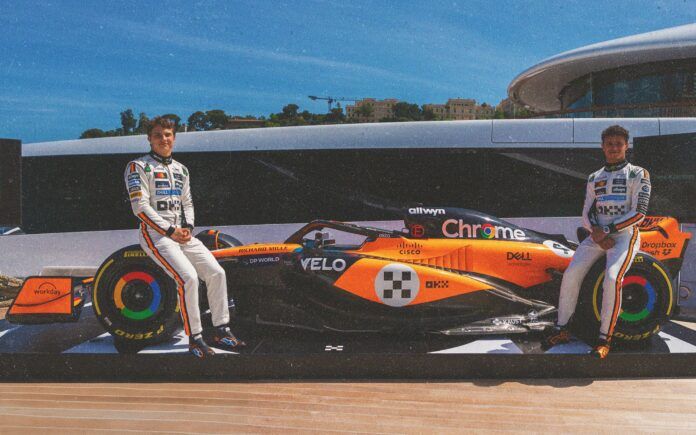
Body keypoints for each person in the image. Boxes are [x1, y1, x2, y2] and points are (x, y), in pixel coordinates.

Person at [124, 116, 244, 358]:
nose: (163, 139)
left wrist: (188, 226)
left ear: (174, 138)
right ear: (149, 139)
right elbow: (140, 208)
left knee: (216, 273)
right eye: (158, 135)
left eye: (167, 135)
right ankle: (195, 338)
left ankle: (221, 329)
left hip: (182, 234)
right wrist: (170, 231)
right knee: (188, 278)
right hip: (156, 236)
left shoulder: (181, 169)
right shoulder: (137, 167)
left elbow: (187, 202)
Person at [542, 125, 651, 358]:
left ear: (626, 146)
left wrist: (608, 231)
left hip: (624, 236)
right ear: (602, 147)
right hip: (597, 236)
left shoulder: (638, 173)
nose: (614, 148)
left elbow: (639, 213)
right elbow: (587, 212)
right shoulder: (594, 177)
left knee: (612, 279)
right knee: (571, 274)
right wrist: (598, 234)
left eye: (618, 144)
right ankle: (562, 329)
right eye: (609, 144)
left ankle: (605, 339)